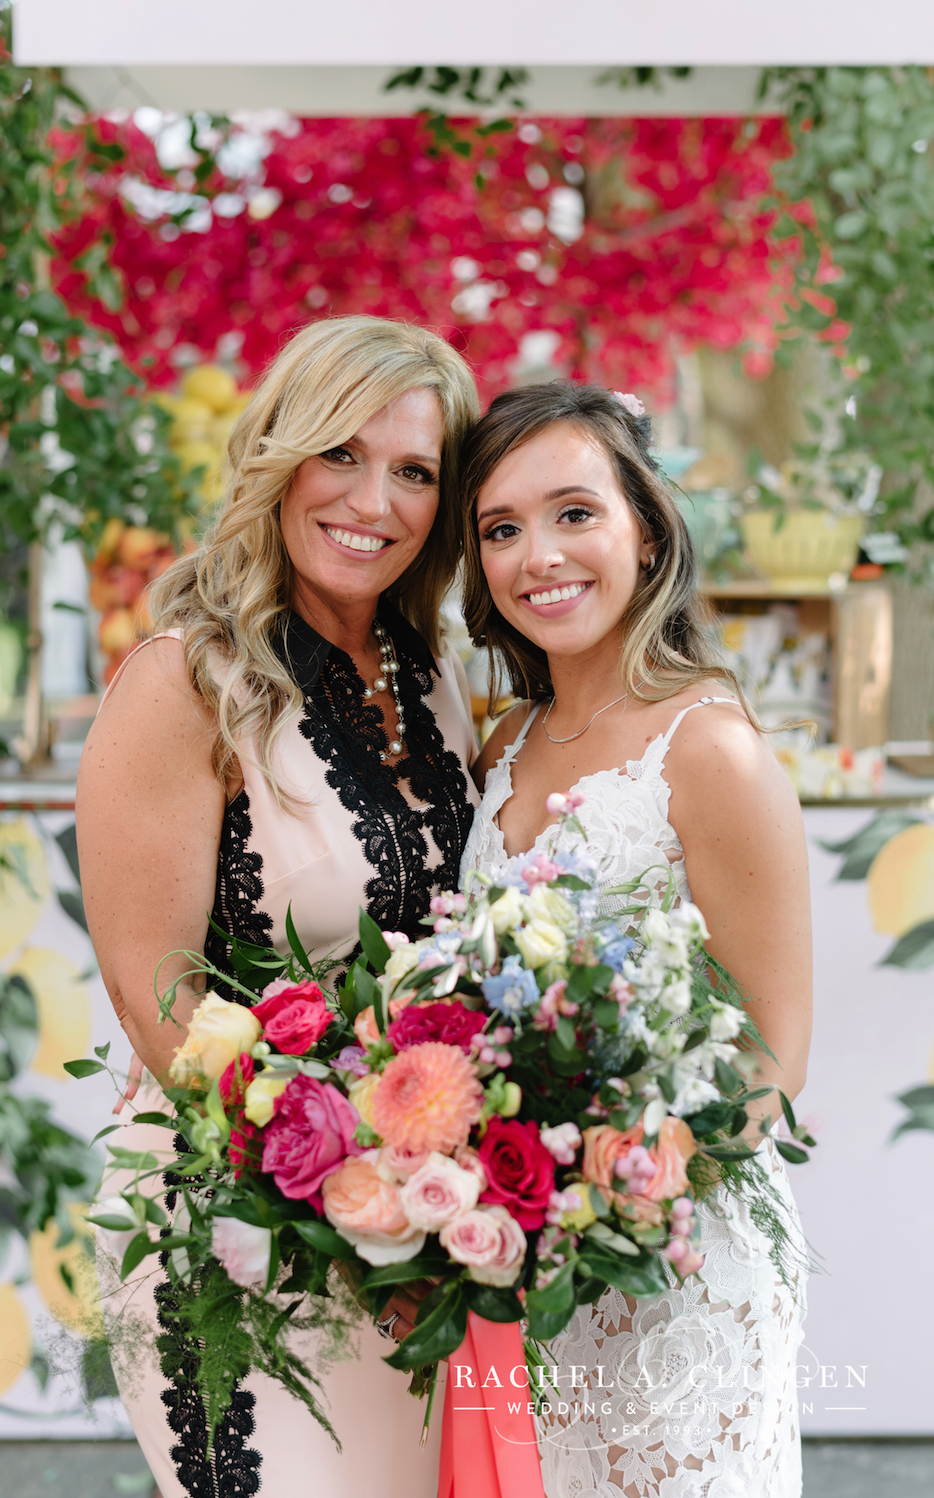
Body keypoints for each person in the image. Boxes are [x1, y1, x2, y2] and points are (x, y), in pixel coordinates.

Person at [76, 316, 481, 1498]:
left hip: (414, 1234)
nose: (373, 500)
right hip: (239, 1232)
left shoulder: (437, 675)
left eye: (414, 471)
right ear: (279, 455)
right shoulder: (184, 679)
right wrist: (339, 1197)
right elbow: (155, 995)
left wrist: (418, 1208)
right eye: (339, 453)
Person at [458, 382, 812, 1498]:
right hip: (532, 1270)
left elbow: (772, 1058)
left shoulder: (710, 751)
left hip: (675, 1264)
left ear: (646, 531)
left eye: (574, 513)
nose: (538, 556)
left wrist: (627, 1194)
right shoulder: (503, 743)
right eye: (501, 529)